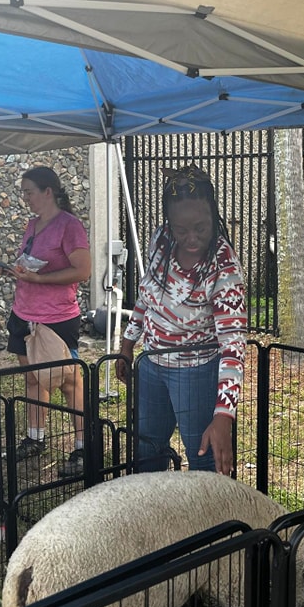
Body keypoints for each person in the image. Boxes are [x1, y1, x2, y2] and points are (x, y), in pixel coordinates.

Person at [115, 166, 247, 476]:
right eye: (180, 228)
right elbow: (147, 294)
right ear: (168, 224)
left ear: (214, 217)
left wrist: (224, 414)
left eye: (200, 228)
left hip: (195, 372)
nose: (190, 238)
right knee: (146, 451)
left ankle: (212, 522)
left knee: (202, 458)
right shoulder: (161, 240)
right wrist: (127, 343)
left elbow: (233, 347)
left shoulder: (225, 269)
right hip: (152, 365)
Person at [0, 166, 91, 477]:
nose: (25, 198)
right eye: (24, 192)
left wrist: (39, 279)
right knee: (33, 380)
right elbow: (28, 263)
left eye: (29, 192)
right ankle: (35, 437)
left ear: (48, 192)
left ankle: (82, 445)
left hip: (56, 317)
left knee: (68, 381)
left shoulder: (70, 226)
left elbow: (82, 271)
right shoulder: (32, 225)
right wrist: (12, 271)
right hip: (24, 313)